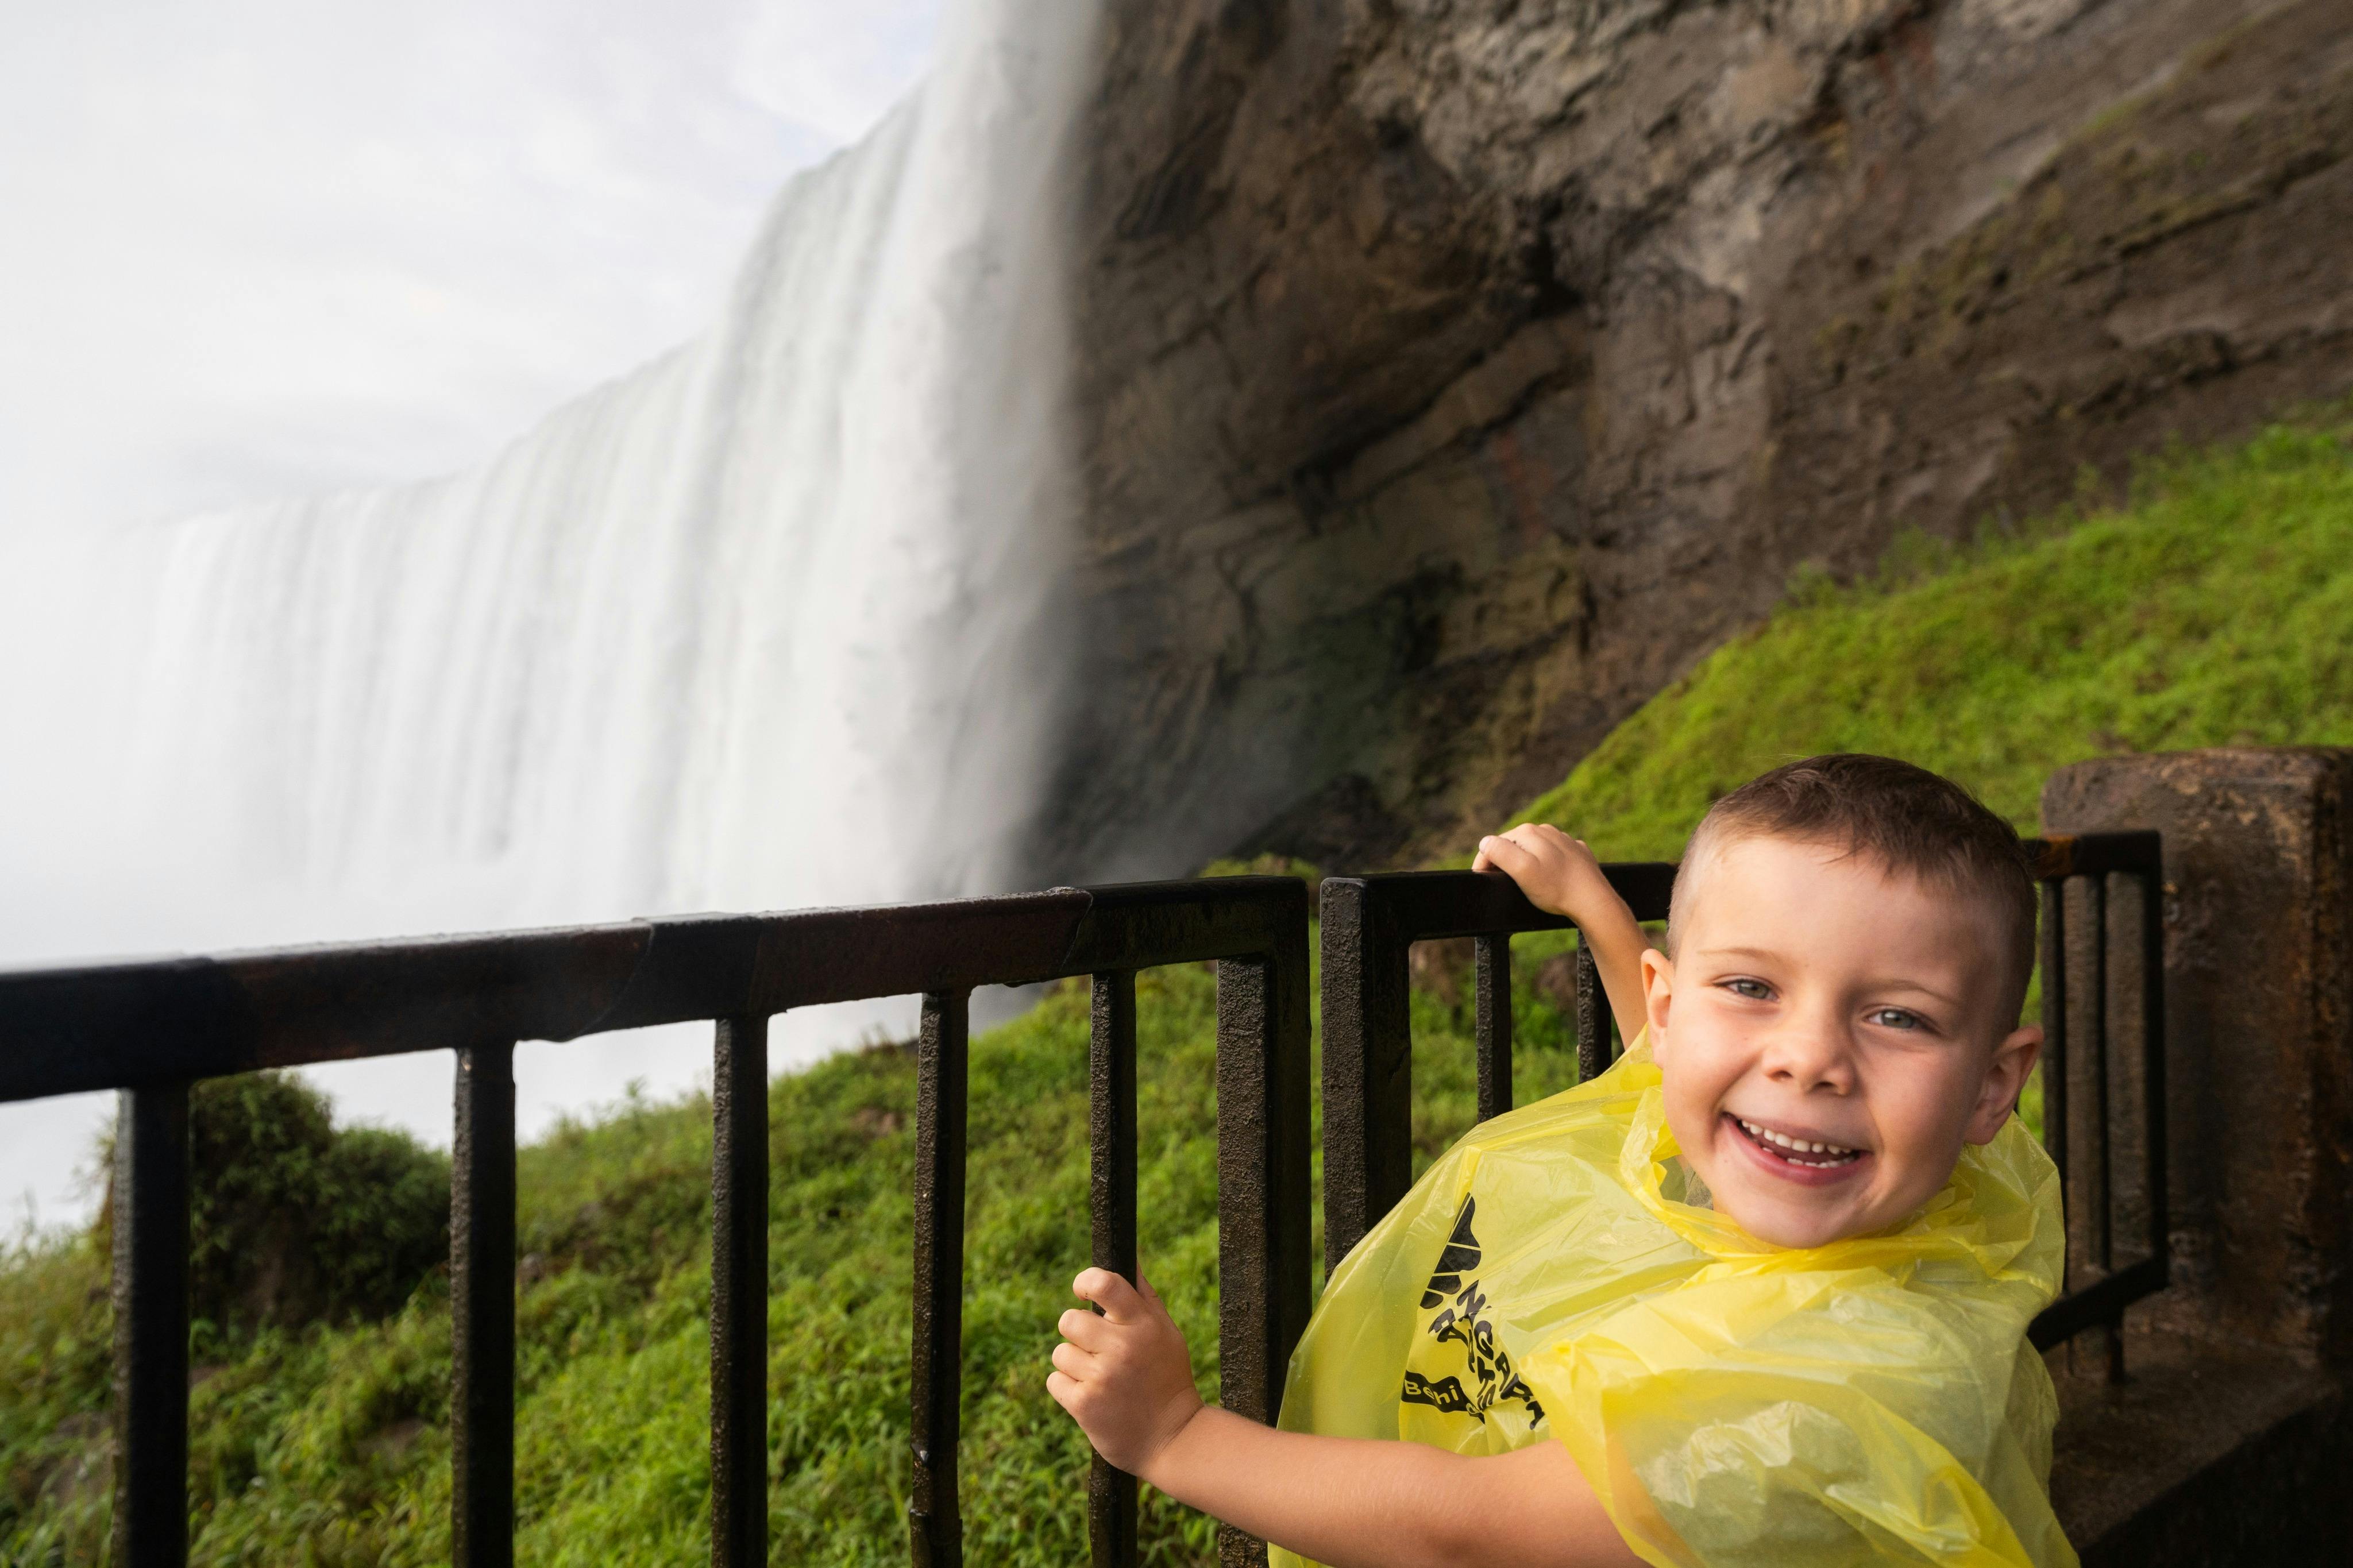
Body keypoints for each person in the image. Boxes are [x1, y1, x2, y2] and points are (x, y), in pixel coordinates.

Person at [1047, 755, 2074, 1567]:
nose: (1806, 1060)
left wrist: (1178, 1436)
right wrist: (1595, 907)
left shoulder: (1834, 1402)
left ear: (1994, 1083)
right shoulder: (1919, 1193)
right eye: (1753, 988)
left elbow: (1469, 1531)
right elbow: (1670, 1067)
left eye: (1896, 1015)